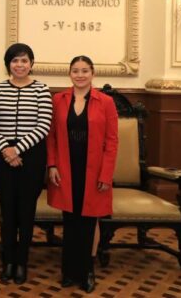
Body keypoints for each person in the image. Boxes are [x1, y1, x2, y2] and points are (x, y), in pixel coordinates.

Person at [47, 56, 118, 293]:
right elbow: (52, 138)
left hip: (94, 171)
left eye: (84, 70)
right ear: (69, 74)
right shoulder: (59, 99)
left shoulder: (105, 102)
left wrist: (106, 175)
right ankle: (68, 271)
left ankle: (87, 270)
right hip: (66, 169)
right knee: (70, 220)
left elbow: (112, 142)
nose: (80, 75)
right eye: (75, 71)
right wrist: (52, 165)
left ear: (93, 73)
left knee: (88, 221)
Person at [0, 43, 52, 285]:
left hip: (31, 156)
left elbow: (43, 125)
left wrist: (18, 149)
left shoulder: (42, 90)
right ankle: (8, 262)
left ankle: (22, 262)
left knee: (26, 211)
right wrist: (6, 149)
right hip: (4, 156)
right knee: (8, 210)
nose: (20, 65)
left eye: (24, 61)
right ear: (8, 65)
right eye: (15, 61)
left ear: (31, 63)